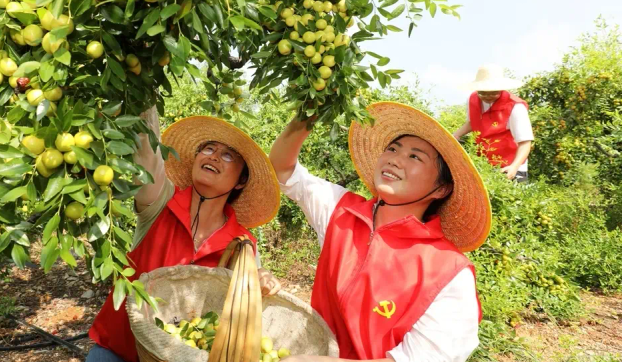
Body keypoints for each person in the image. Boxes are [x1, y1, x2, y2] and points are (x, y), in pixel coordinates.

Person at [269, 102, 492, 362]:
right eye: (392, 149)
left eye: (415, 156)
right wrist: (308, 113)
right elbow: (283, 169)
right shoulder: (342, 212)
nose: (395, 159)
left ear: (441, 189)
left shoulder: (448, 272)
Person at [87, 107, 283, 362]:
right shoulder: (160, 202)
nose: (214, 157)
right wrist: (142, 81)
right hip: (118, 351)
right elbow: (146, 149)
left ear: (240, 181)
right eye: (209, 149)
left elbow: (246, 291)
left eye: (227, 156)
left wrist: (261, 280)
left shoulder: (241, 244)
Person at [452, 64, 534, 182]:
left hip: (511, 166)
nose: (488, 96)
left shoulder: (515, 107)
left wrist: (514, 167)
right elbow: (473, 122)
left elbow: (525, 142)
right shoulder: (473, 100)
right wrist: (456, 135)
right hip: (485, 165)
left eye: (493, 92)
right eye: (483, 92)